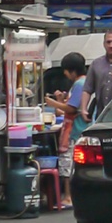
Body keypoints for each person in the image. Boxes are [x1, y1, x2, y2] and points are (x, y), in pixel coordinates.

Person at [45, 52, 89, 205]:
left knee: (69, 164)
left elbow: (71, 109)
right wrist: (59, 100)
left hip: (75, 130)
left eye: (66, 70)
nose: (64, 73)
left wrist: (52, 103)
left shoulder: (79, 84)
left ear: (72, 70)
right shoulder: (84, 83)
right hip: (78, 128)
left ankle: (69, 197)